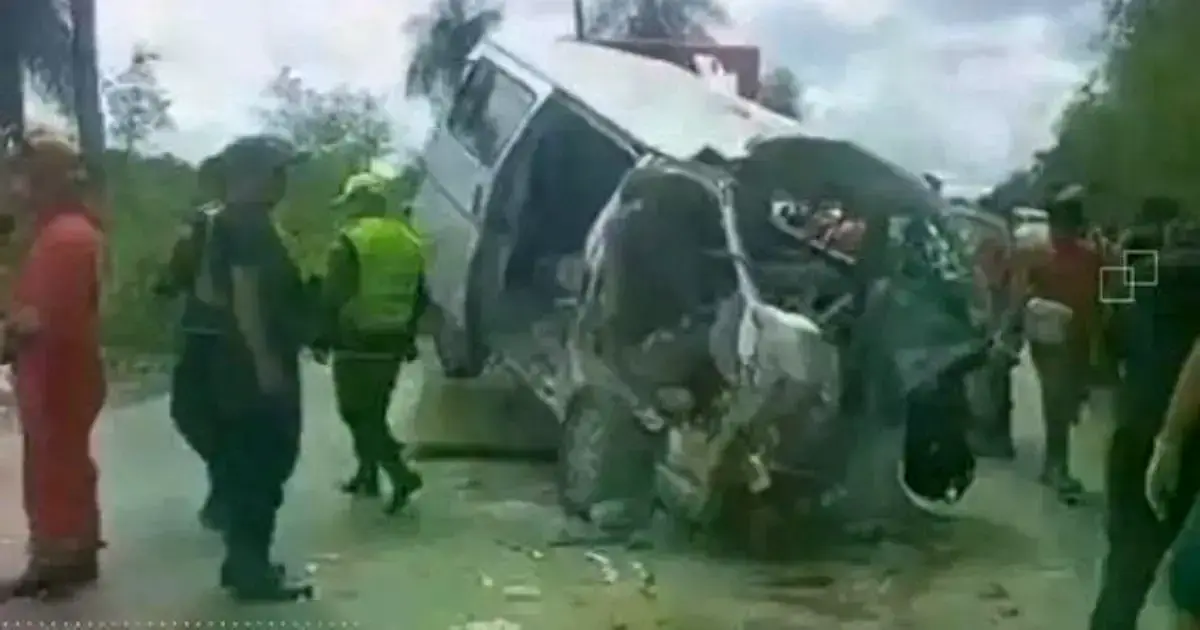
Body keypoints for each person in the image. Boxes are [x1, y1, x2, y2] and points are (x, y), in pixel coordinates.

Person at [204, 135, 311, 601]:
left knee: (248, 464)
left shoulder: (224, 221)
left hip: (232, 363)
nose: (282, 182)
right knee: (263, 466)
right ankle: (251, 570)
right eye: (276, 172)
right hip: (253, 366)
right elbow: (246, 296)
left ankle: (243, 562)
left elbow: (210, 293)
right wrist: (264, 362)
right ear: (250, 175)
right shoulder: (249, 225)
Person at [0, 133, 106, 599]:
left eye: (24, 175)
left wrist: (8, 337)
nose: (16, 186)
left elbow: (42, 320)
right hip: (60, 371)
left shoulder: (64, 239)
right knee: (64, 464)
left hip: (57, 374)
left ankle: (57, 560)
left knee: (53, 468)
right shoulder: (62, 233)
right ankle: (73, 552)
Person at [1090, 236, 1200, 630]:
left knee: (1127, 564)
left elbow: (1107, 337)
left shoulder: (1141, 272)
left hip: (1138, 423)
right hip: (1193, 433)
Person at [312, 171, 425, 514]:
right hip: (392, 338)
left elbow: (334, 293)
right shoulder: (409, 239)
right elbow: (420, 294)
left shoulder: (350, 240)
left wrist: (321, 337)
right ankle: (367, 475)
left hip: (356, 337)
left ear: (357, 204)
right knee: (374, 409)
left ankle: (400, 474)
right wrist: (409, 336)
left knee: (356, 413)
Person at [153, 155, 230, 530]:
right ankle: (226, 486)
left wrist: (165, 283)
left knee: (190, 412)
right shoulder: (259, 225)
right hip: (240, 336)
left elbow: (174, 276)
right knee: (226, 417)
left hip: (204, 333)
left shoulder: (204, 223)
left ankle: (225, 484)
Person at [1025, 188, 1102, 499]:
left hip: (1076, 339)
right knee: (1057, 399)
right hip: (1054, 340)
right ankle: (1058, 466)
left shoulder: (1092, 256)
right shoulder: (1042, 256)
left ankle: (1053, 465)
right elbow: (1025, 295)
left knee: (1065, 401)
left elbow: (1111, 294)